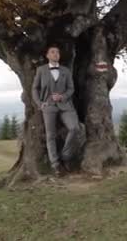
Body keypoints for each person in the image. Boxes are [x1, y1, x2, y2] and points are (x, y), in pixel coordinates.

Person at [32, 45, 84, 177]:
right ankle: (55, 165)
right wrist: (39, 103)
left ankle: (65, 156)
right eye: (53, 52)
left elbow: (71, 89)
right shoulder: (41, 70)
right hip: (48, 106)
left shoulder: (66, 71)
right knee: (51, 135)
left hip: (66, 105)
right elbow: (34, 88)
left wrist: (62, 96)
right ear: (47, 55)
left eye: (57, 52)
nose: (56, 54)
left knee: (75, 128)